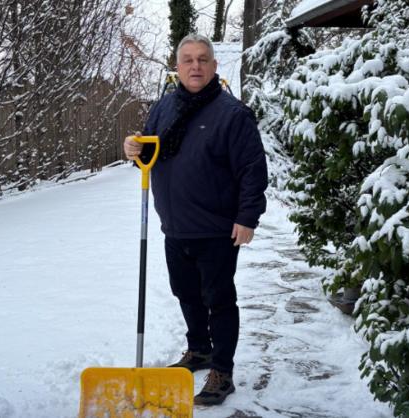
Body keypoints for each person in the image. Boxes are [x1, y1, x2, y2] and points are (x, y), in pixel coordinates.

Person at [123, 34, 267, 406]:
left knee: (218, 299)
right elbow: (149, 152)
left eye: (203, 59)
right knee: (185, 293)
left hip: (217, 228)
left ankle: (223, 370)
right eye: (187, 59)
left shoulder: (232, 114)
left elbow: (253, 169)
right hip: (175, 225)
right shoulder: (164, 108)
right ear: (177, 66)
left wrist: (247, 217)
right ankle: (199, 349)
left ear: (214, 66)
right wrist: (133, 149)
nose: (195, 66)